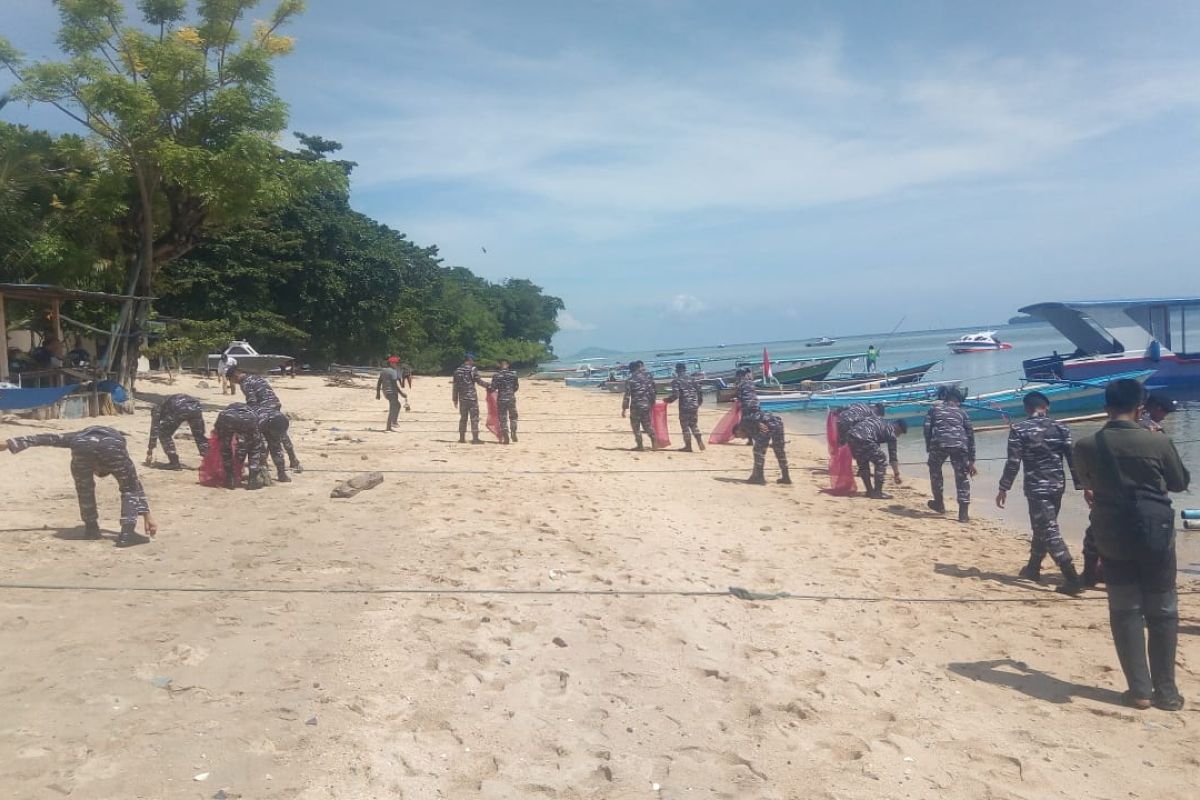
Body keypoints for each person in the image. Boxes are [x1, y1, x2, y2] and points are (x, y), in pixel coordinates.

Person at [1073, 378, 1190, 711]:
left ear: (1105, 408)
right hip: (1155, 533)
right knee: (1163, 610)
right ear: (1140, 408)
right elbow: (1180, 482)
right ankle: (1166, 692)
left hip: (1111, 534)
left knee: (1124, 608)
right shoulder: (1157, 441)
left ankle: (1139, 690)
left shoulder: (1085, 446)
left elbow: (1087, 483)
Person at [1, 426, 157, 547]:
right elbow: (134, 485)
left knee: (84, 489)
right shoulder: (117, 444)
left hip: (81, 447)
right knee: (128, 489)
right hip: (111, 447)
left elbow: (47, 438)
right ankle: (127, 533)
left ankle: (91, 529)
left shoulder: (76, 436)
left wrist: (9, 443)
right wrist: (147, 516)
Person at [996, 392, 1083, 594]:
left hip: (1036, 487)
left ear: (1027, 408)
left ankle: (1071, 578)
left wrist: (1003, 487)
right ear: (1047, 407)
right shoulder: (1061, 427)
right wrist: (1083, 486)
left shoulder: (1019, 429)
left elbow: (1013, 462)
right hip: (1057, 486)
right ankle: (1033, 568)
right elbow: (1073, 460)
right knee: (1042, 527)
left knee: (1048, 530)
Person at [229, 364, 300, 471]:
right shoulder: (255, 377)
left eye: (232, 380)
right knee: (281, 433)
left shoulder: (245, 383)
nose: (233, 382)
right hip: (275, 404)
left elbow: (252, 402)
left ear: (235, 375)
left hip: (264, 409)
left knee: (262, 435)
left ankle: (263, 462)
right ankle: (293, 459)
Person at [925, 387, 976, 522]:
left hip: (939, 443)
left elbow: (927, 428)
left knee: (935, 472)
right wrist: (972, 460)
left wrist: (928, 447)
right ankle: (963, 514)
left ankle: (939, 503)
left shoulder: (934, 409)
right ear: (958, 401)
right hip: (960, 445)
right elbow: (970, 435)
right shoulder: (963, 413)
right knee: (962, 478)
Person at [846, 415, 906, 499]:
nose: (898, 436)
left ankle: (870, 491)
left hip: (851, 436)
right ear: (898, 427)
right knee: (882, 459)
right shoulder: (891, 432)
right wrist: (896, 474)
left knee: (863, 461)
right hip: (864, 437)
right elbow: (893, 458)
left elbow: (859, 421)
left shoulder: (880, 422)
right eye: (899, 433)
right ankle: (878, 492)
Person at [214, 402, 269, 490]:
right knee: (254, 448)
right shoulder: (252, 412)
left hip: (228, 418)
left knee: (225, 447)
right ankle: (253, 480)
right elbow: (258, 441)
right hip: (249, 419)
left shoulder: (226, 412)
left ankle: (230, 478)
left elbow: (216, 430)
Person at [146, 393, 209, 470]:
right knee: (199, 436)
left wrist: (150, 450)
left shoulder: (157, 409)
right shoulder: (165, 403)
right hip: (195, 406)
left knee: (164, 433)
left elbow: (154, 428)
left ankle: (174, 462)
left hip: (179, 407)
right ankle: (210, 462)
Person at [733, 411, 791, 485]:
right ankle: (786, 477)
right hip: (777, 423)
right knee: (779, 451)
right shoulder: (747, 427)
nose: (741, 438)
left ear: (738, 429)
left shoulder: (744, 423)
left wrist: (759, 424)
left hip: (768, 424)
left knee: (758, 452)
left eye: (738, 435)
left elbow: (760, 442)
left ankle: (759, 478)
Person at [664, 362, 704, 452]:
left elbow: (676, 395)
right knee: (694, 424)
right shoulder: (693, 379)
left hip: (684, 406)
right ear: (685, 369)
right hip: (694, 404)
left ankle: (688, 446)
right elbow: (700, 391)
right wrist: (699, 402)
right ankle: (699, 440)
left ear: (677, 370)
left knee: (685, 426)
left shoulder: (676, 381)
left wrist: (668, 400)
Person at [452, 353, 489, 444]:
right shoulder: (473, 370)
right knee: (474, 418)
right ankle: (475, 439)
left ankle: (462, 438)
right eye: (472, 360)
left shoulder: (457, 371)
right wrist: (489, 386)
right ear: (469, 360)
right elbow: (479, 381)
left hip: (462, 398)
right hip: (472, 398)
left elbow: (455, 386)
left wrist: (455, 399)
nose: (473, 362)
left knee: (463, 418)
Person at [621, 360, 658, 451]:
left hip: (636, 406)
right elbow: (653, 392)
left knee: (636, 426)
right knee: (647, 425)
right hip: (646, 405)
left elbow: (627, 395)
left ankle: (640, 446)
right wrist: (653, 403)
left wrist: (624, 409)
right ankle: (654, 442)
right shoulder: (647, 378)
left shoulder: (630, 380)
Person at [257, 407, 298, 483]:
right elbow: (258, 445)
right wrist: (262, 464)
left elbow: (279, 442)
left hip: (272, 424)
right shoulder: (259, 421)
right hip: (261, 425)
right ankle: (262, 471)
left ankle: (281, 473)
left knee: (276, 448)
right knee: (261, 448)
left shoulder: (282, 421)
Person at [490, 358, 520, 444]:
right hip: (511, 397)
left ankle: (505, 435)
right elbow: (516, 387)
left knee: (503, 418)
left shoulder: (496, 375)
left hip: (501, 398)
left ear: (500, 365)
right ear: (508, 365)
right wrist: (510, 391)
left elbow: (493, 387)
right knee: (513, 417)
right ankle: (513, 432)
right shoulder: (513, 374)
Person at [376, 356, 409, 432]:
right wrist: (401, 393)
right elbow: (394, 384)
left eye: (397, 363)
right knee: (394, 407)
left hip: (386, 392)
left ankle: (391, 424)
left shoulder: (383, 371)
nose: (397, 364)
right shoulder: (393, 371)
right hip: (392, 392)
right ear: (391, 363)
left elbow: (379, 382)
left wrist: (378, 393)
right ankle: (392, 423)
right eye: (395, 363)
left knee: (396, 406)